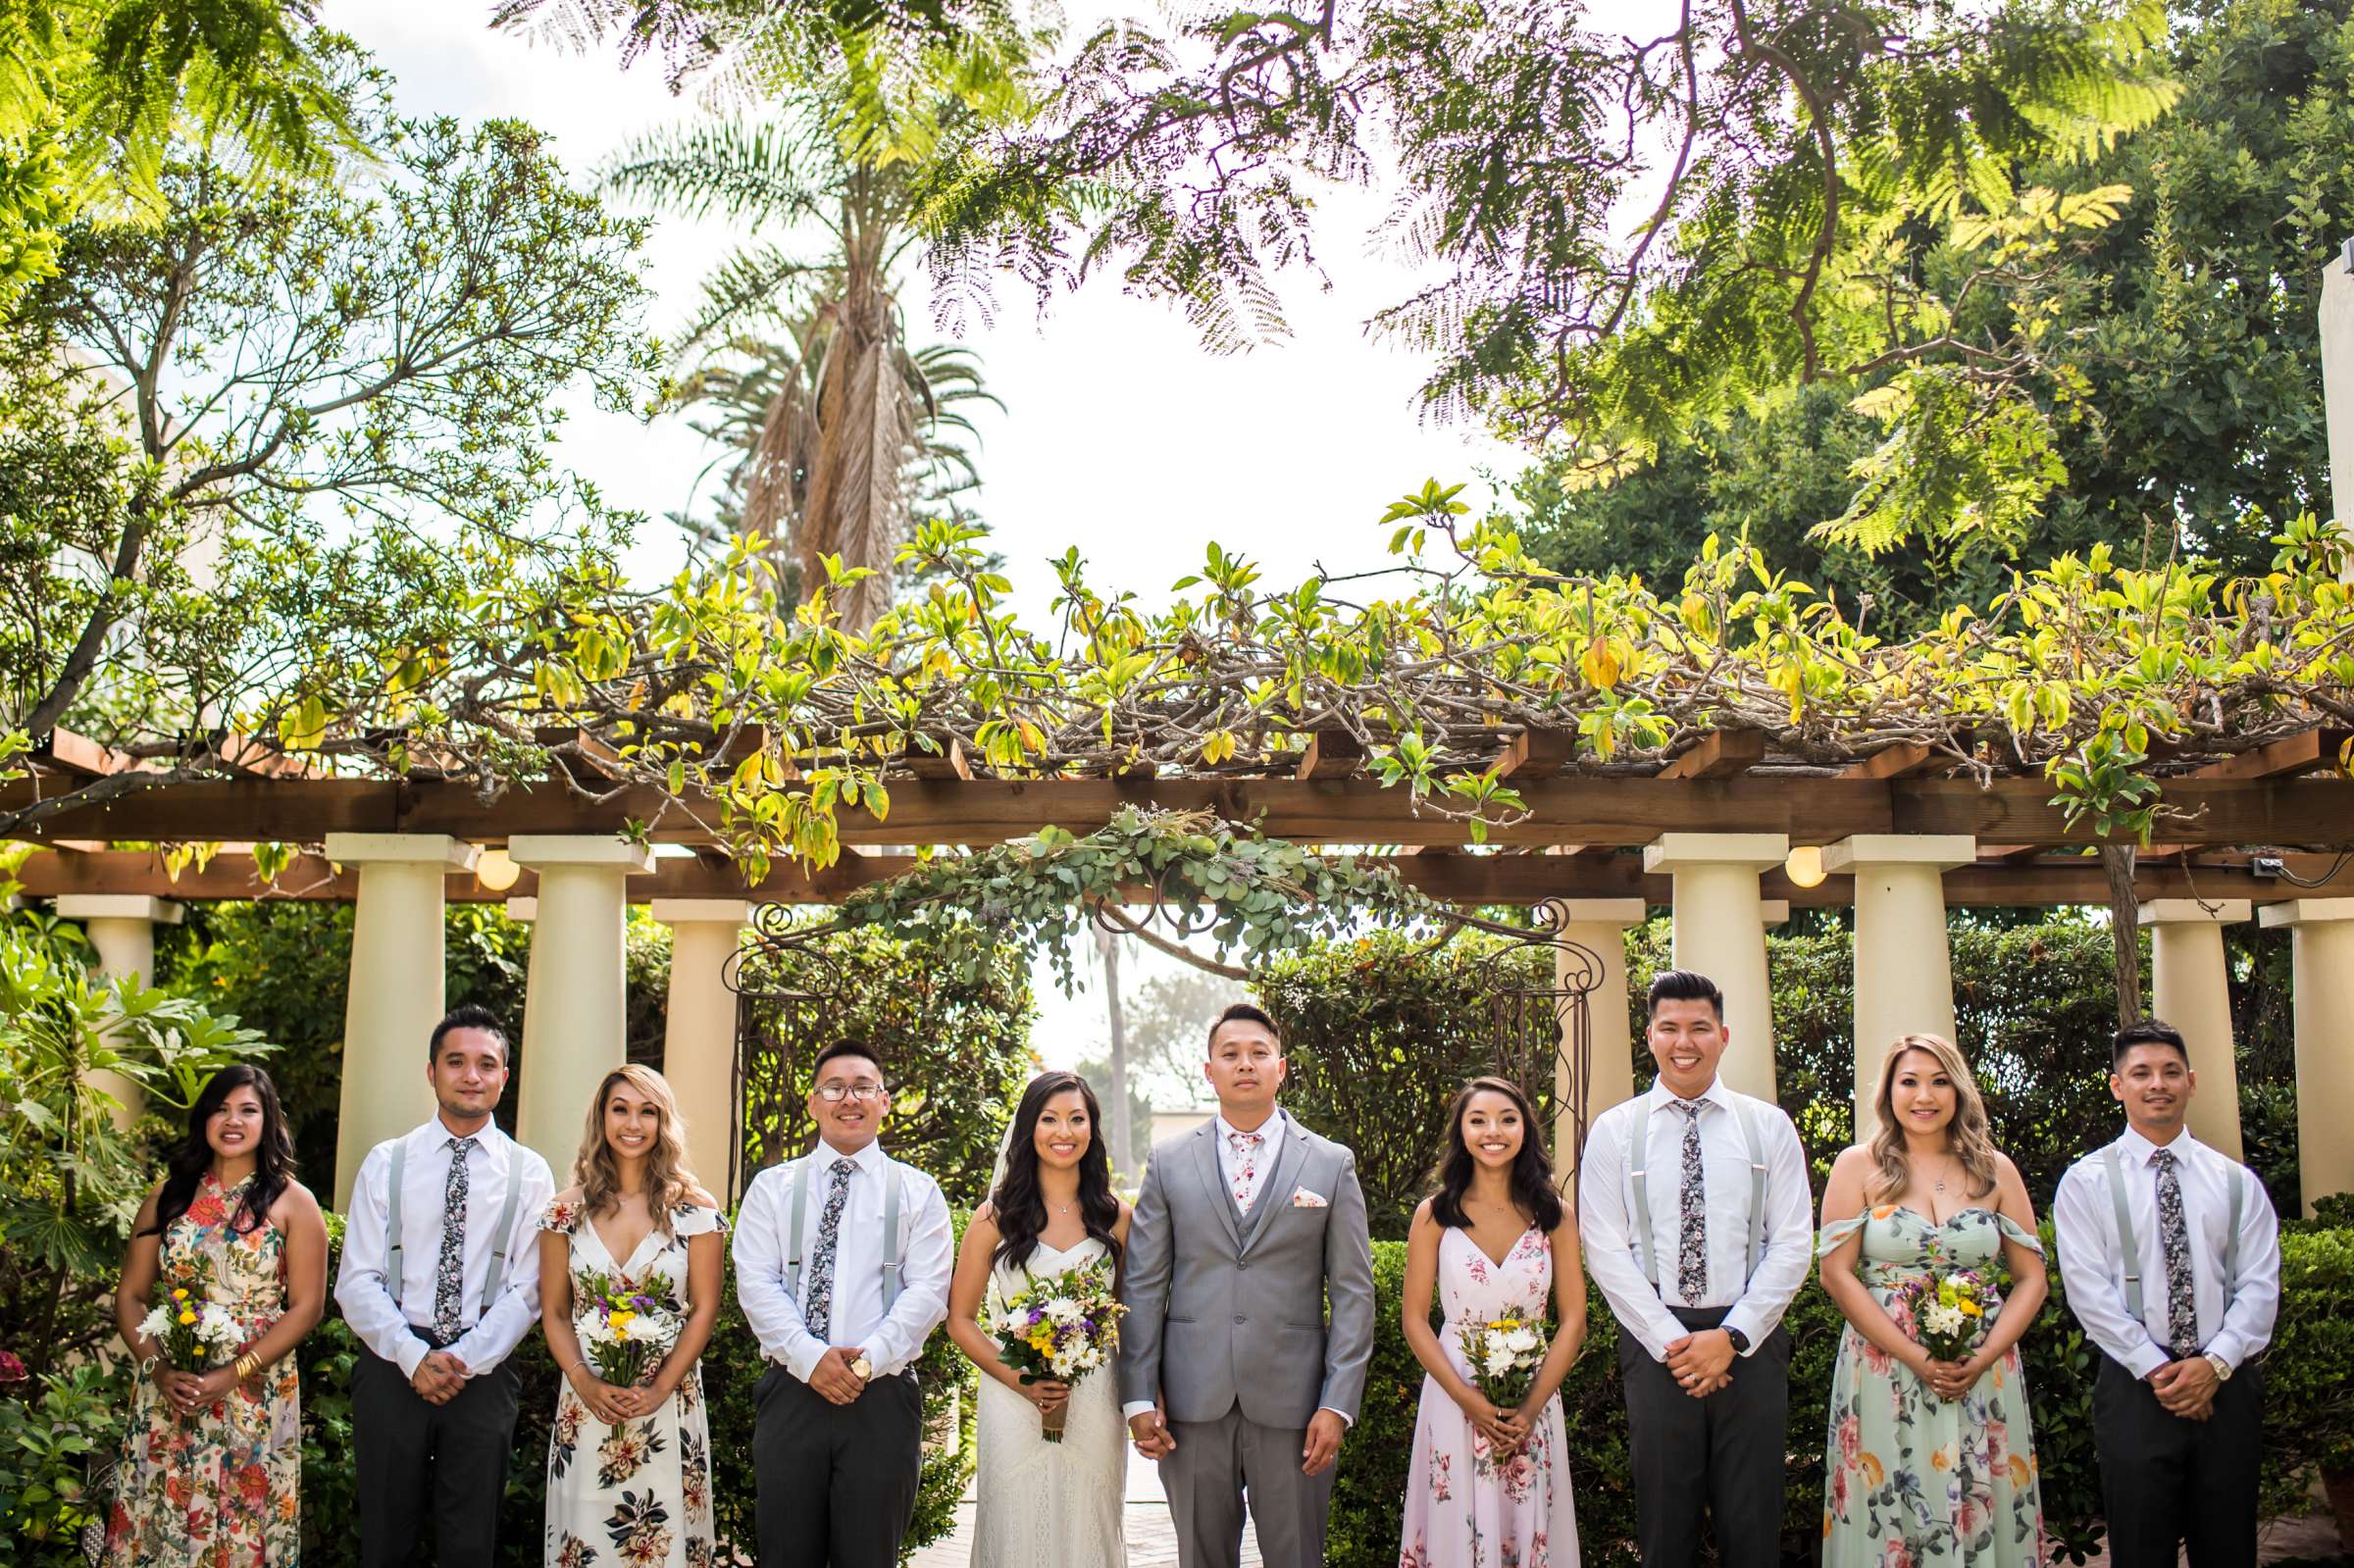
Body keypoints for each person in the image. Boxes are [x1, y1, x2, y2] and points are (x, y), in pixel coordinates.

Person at [1119, 1001, 1377, 1568]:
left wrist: (1338, 1403)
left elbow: (1355, 1293)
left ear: (1281, 1069)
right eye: (1230, 1054)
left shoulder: (1331, 1165)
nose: (1245, 1064)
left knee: (1297, 1557)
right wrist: (1138, 1394)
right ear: (1208, 1071)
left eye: (1259, 1053)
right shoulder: (1168, 1161)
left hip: (1296, 1405)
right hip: (1191, 1403)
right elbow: (1142, 1285)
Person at [1575, 969, 1812, 1568]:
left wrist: (1732, 1337)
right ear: (1650, 1036)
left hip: (1750, 1341)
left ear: (1723, 1036)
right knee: (1664, 1526)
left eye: (1699, 1028)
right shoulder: (1614, 1130)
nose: (1685, 1042)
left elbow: (1791, 1244)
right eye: (1670, 1028)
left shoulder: (1768, 1127)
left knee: (1754, 1523)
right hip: (1657, 1344)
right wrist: (1675, 1343)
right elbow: (1603, 1248)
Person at [2053, 1018, 2281, 1568]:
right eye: (2142, 1073)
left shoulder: (2235, 1181)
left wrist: (2215, 1366)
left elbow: (2258, 1284)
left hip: (2225, 1387)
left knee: (2229, 1548)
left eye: (2170, 1071)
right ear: (2118, 1085)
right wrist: (2158, 1370)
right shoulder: (2085, 1182)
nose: (2158, 1083)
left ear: (2191, 1082)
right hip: (2134, 1389)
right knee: (2139, 1549)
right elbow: (2089, 1293)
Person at [334, 1003, 555, 1568]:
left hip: (482, 1373)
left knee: (470, 1543)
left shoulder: (529, 1171)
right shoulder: (387, 1162)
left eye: (486, 1064)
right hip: (390, 1366)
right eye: (456, 1062)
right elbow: (357, 1279)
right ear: (432, 1072)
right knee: (384, 1540)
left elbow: (529, 1288)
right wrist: (413, 1356)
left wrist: (460, 1359)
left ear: (504, 1077)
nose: (471, 1075)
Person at [1817, 1035, 2051, 1567]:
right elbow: (1836, 1273)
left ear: (1958, 1090)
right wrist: (1916, 1355)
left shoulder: (1996, 1169)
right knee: (1890, 1499)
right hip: (1883, 1367)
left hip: (1980, 1369)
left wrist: (1983, 1356)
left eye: (1939, 1081)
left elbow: (2031, 1278)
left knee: (1981, 1497)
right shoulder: (1858, 1167)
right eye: (1910, 1082)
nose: (1925, 1095)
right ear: (1889, 1093)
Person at [734, 1039, 955, 1568]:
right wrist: (810, 1359)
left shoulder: (919, 1192)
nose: (848, 1098)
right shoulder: (772, 1188)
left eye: (862, 1087)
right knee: (785, 1554)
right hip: (791, 1391)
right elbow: (756, 1284)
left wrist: (866, 1361)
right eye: (834, 1087)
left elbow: (928, 1292)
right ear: (813, 1103)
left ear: (883, 1101)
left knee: (870, 1556)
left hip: (881, 1399)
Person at [104, 1064, 328, 1567]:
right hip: (171, 1392)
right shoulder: (168, 1197)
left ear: (268, 1121)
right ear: (204, 1118)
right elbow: (132, 1297)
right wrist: (157, 1370)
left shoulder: (295, 1203)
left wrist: (234, 1373)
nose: (233, 1120)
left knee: (241, 1521)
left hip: (254, 1391)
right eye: (221, 1109)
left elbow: (307, 1307)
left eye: (248, 1110)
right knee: (162, 1514)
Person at [539, 1065, 727, 1568]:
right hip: (588, 1403)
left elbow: (705, 1307)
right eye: (620, 1108)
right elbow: (555, 1311)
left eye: (648, 1111)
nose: (633, 1123)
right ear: (601, 1117)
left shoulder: (696, 1210)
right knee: (587, 1540)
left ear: (663, 1122)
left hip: (668, 1402)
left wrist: (661, 1387)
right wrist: (585, 1383)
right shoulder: (563, 1212)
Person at [947, 1071, 1135, 1567]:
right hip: (1013, 1397)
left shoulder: (1118, 1219)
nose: (1063, 1131)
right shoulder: (995, 1217)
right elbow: (960, 1320)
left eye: (1077, 1119)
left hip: (1095, 1398)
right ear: (1029, 1128)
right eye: (1049, 1119)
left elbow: (1126, 1316)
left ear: (1092, 1129)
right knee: (1015, 1520)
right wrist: (1023, 1380)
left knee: (1089, 1516)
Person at [1399, 1076, 1587, 1568]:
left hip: (1534, 1395)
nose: (1493, 1131)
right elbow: (1415, 1320)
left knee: (1528, 1522)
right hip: (1454, 1393)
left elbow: (1573, 1322)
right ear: (1461, 1132)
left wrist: (1529, 1408)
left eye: (1507, 1119)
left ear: (1525, 1128)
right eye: (1477, 1120)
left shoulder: (1556, 1215)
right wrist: (1471, 1403)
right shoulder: (1434, 1215)